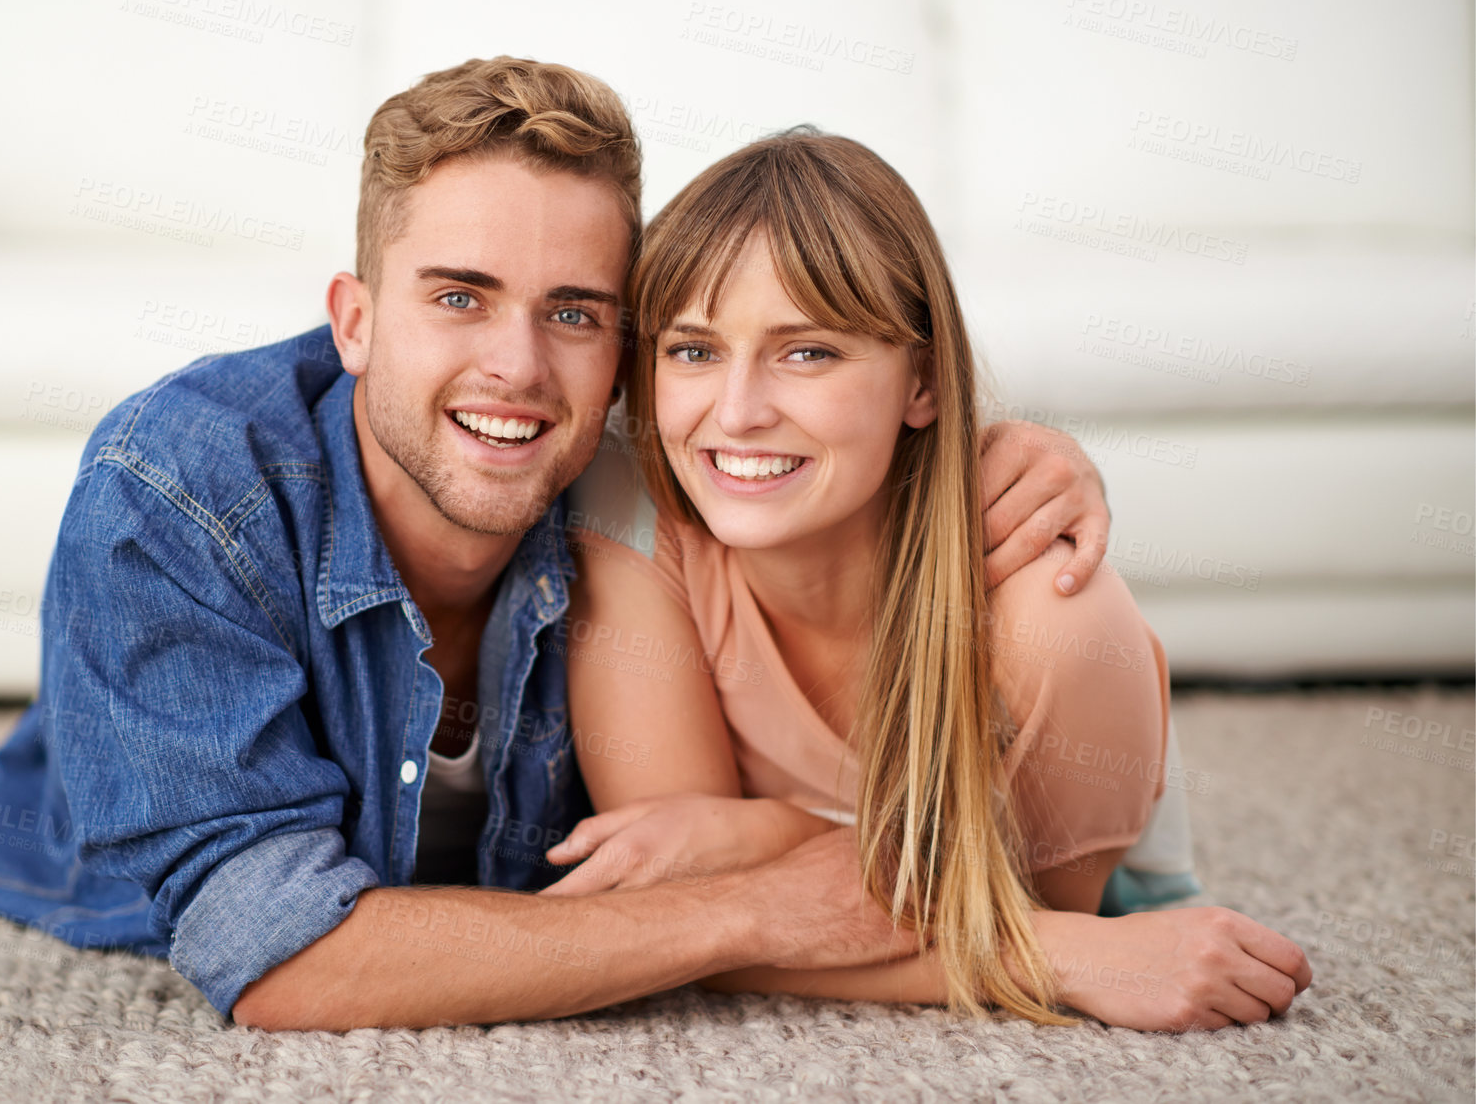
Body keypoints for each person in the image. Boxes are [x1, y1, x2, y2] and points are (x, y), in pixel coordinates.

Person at [0, 58, 1134, 1032]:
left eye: (573, 311)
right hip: (120, 824)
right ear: (355, 320)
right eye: (458, 296)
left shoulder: (638, 471)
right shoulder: (174, 491)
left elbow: (802, 388)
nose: (517, 367)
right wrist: (762, 910)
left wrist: (1004, 452)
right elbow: (280, 957)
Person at [549, 128, 1313, 1031]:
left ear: (923, 382)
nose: (739, 411)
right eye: (693, 351)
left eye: (808, 352)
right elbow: (675, 917)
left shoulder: (1053, 615)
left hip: (1088, 889)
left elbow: (1029, 910)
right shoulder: (630, 504)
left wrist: (751, 837)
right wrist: (1055, 959)